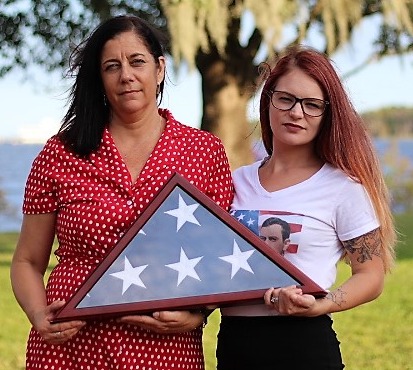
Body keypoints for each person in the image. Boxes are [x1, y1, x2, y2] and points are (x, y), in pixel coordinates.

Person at [10, 15, 233, 370]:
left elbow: (220, 257)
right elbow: (26, 261)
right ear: (99, 78)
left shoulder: (203, 151)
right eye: (112, 66)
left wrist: (199, 314)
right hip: (70, 345)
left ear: (159, 68)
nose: (126, 75)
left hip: (164, 349)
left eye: (137, 62)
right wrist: (38, 313)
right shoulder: (61, 152)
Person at [216, 45, 396, 369]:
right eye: (286, 99)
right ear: (268, 99)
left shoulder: (344, 188)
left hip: (304, 346)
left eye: (312, 105)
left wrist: (322, 304)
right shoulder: (233, 182)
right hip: (234, 345)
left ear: (327, 114)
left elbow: (371, 275)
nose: (296, 113)